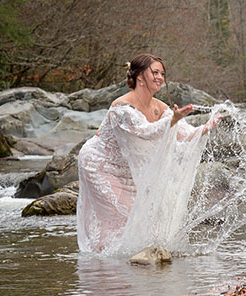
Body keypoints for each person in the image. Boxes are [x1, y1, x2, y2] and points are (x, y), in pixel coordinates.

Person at [77, 53, 218, 254]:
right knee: (122, 217)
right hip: (99, 164)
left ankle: (131, 265)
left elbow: (184, 134)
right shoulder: (122, 107)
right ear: (140, 76)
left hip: (126, 168)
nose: (160, 77)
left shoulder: (160, 107)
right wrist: (171, 121)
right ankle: (107, 270)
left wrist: (206, 127)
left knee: (138, 213)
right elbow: (144, 132)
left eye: (162, 73)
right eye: (155, 72)